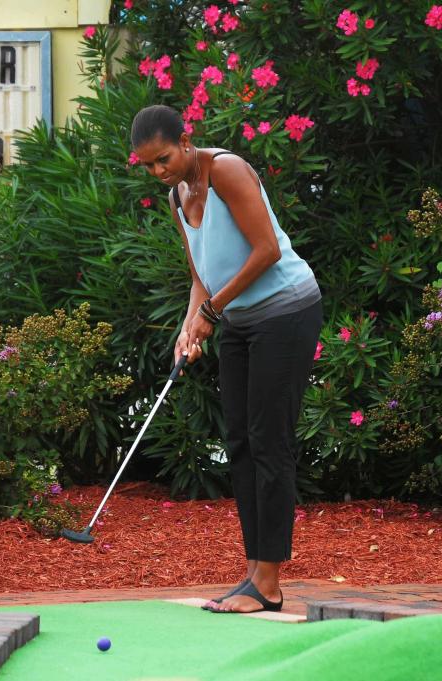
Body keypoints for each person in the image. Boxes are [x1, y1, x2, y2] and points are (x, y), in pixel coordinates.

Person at [130, 104, 322, 614]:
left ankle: (270, 583)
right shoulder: (177, 196)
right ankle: (254, 572)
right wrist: (190, 323)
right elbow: (201, 274)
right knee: (238, 441)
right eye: (148, 165)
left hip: (286, 312)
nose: (159, 171)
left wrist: (211, 311)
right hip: (236, 320)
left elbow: (266, 251)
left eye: (164, 158)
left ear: (185, 140)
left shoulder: (227, 170)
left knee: (268, 440)